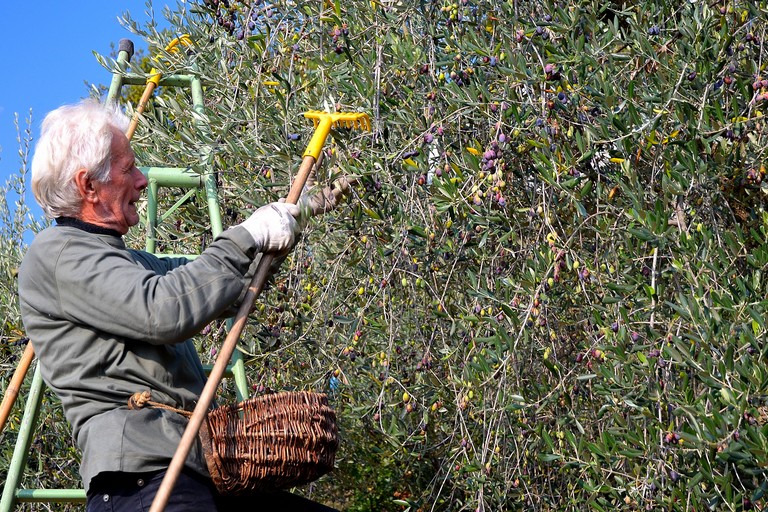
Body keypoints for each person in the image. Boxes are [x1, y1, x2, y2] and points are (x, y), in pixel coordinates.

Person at [18, 99, 344, 511]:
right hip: (142, 480)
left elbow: (214, 284)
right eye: (129, 169)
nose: (141, 181)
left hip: (192, 465)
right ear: (88, 187)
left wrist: (295, 216)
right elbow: (164, 310)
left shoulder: (128, 261)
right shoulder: (58, 254)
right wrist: (246, 235)